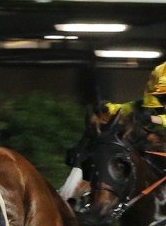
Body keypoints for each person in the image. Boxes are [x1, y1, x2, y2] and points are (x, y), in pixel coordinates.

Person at [60, 61, 166, 202]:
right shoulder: (143, 106)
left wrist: (153, 119)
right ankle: (77, 185)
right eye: (162, 97)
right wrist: (107, 108)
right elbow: (123, 108)